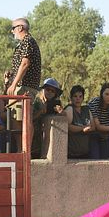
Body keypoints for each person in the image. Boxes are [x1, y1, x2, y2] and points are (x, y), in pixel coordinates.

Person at [6, 18, 42, 148]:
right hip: (22, 85)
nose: (12, 31)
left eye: (13, 28)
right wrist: (11, 77)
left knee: (24, 119)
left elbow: (25, 63)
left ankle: (24, 151)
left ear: (20, 28)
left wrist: (14, 84)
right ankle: (21, 150)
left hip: (24, 87)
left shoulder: (27, 41)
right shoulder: (24, 43)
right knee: (17, 120)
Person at [88, 82, 109, 159]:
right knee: (95, 159)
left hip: (106, 137)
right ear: (102, 94)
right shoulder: (94, 103)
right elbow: (97, 126)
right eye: (106, 94)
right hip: (94, 136)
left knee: (104, 160)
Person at [31, 78, 64, 158]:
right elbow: (30, 119)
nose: (49, 92)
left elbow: (62, 118)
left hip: (49, 138)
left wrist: (61, 113)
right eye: (48, 89)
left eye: (52, 91)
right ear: (43, 89)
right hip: (35, 136)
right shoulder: (36, 102)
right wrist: (40, 112)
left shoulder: (56, 104)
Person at [64, 85, 94, 159]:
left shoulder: (87, 109)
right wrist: (82, 128)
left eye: (80, 96)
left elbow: (93, 127)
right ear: (71, 98)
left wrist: (88, 128)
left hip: (85, 153)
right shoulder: (69, 109)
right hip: (71, 154)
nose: (78, 99)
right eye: (75, 96)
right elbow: (68, 127)